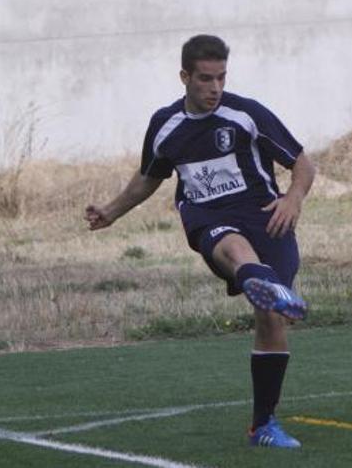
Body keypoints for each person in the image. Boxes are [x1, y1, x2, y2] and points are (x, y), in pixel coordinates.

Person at [85, 34, 316, 449]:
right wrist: (111, 211)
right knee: (235, 248)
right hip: (207, 216)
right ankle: (264, 284)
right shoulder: (166, 125)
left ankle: (263, 424)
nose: (214, 88)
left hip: (266, 218)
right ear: (184, 77)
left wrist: (293, 199)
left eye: (221, 78)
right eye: (205, 79)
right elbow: (148, 177)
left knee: (271, 319)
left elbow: (301, 162)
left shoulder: (246, 115)